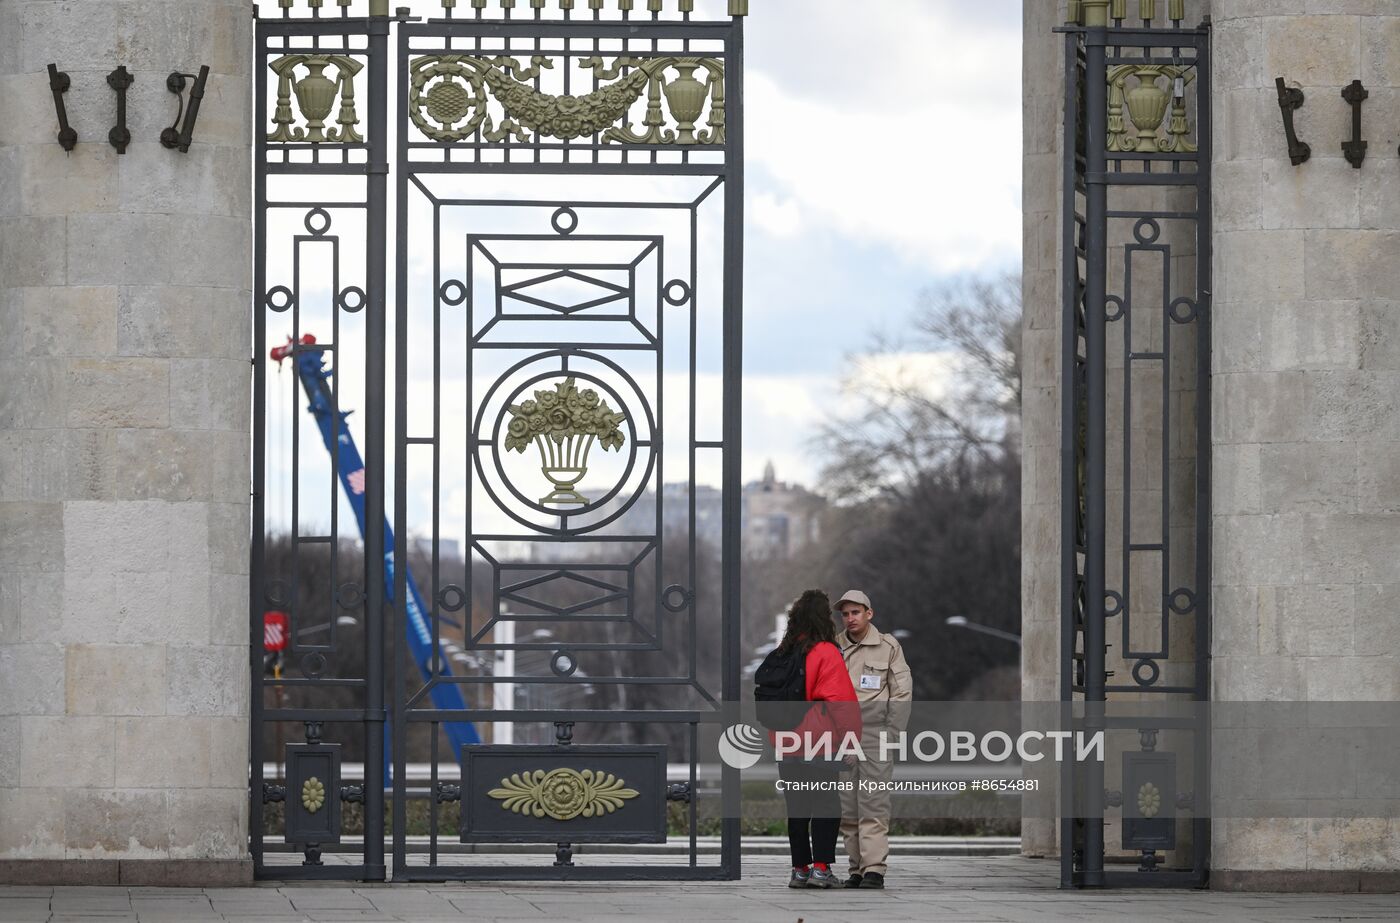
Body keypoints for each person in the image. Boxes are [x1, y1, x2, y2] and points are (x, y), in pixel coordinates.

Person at [770, 589, 860, 890]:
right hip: (820, 743)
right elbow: (841, 702)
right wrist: (851, 742)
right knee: (826, 806)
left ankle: (799, 870)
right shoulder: (826, 651)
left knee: (797, 809)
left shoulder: (782, 652)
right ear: (825, 618)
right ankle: (821, 870)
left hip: (786, 743)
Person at [834, 589, 912, 890]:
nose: (850, 618)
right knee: (847, 807)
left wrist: (892, 735)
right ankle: (856, 869)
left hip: (874, 733)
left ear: (869, 613)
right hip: (841, 736)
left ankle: (874, 870)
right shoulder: (834, 647)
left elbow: (902, 692)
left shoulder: (888, 646)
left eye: (855, 612)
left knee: (873, 803)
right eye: (845, 613)